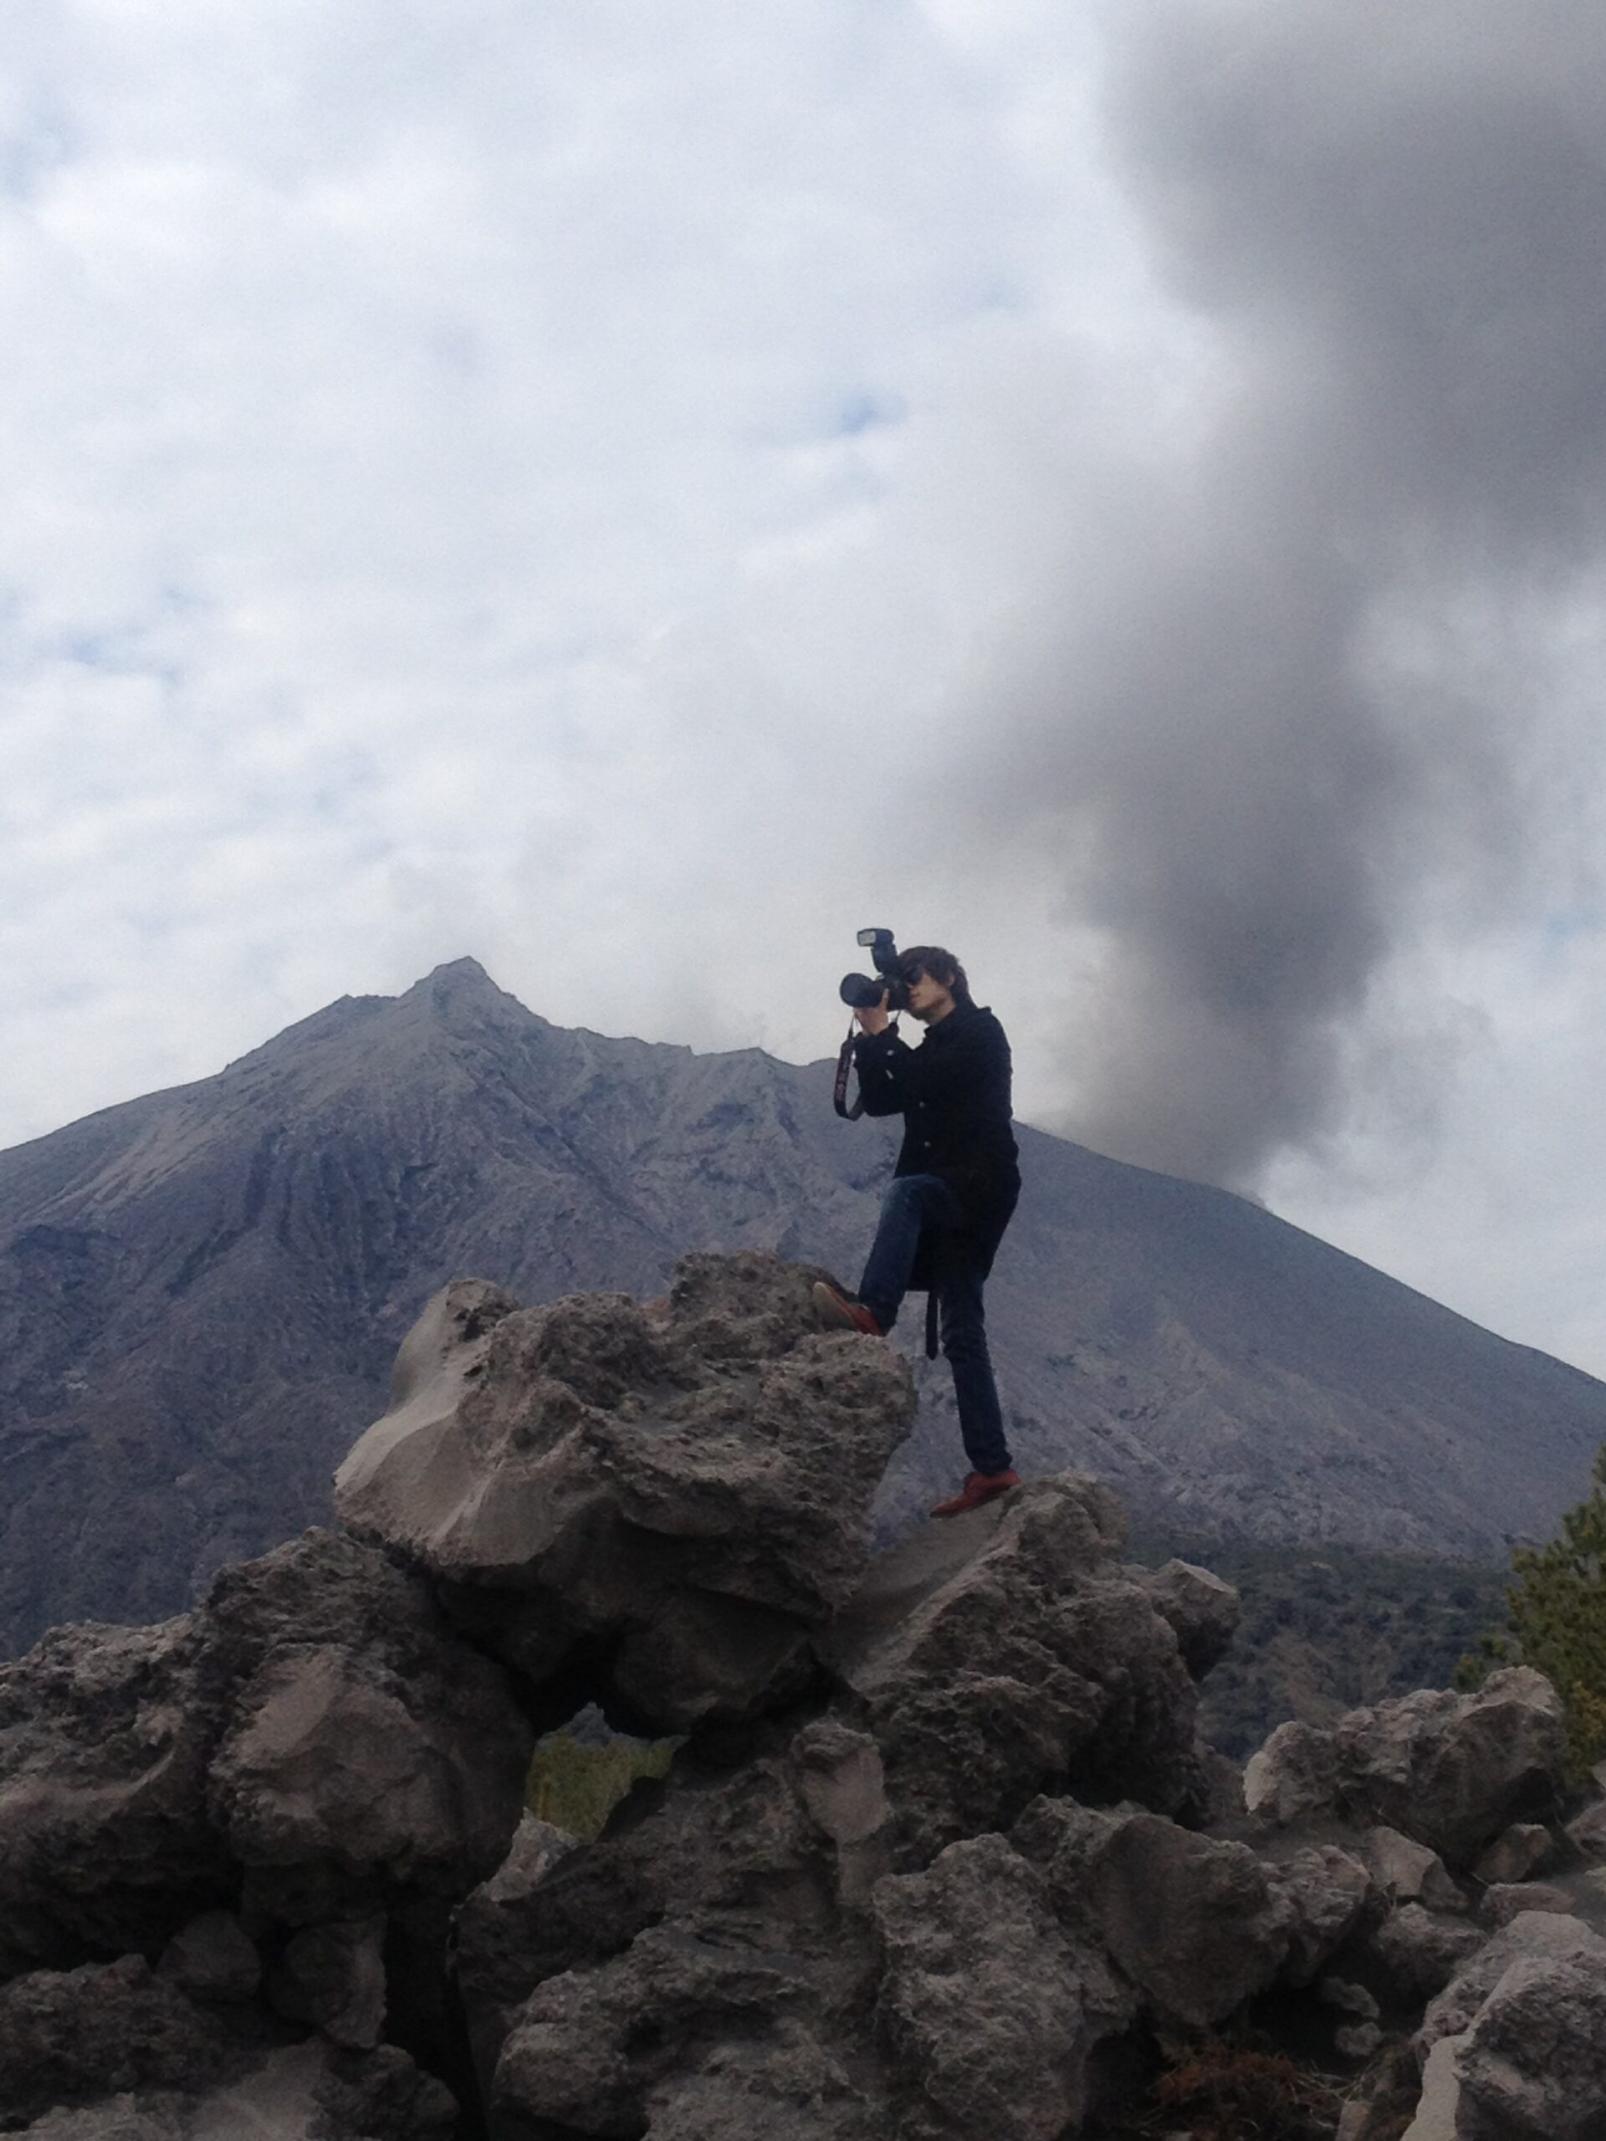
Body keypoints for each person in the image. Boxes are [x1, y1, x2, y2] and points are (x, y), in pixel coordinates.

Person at [814, 945, 1022, 1518]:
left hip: (977, 1187)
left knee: (906, 1193)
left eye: (914, 978)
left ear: (950, 978)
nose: (906, 989)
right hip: (946, 1185)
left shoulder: (981, 1032)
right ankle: (993, 1468)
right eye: (899, 981)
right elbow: (884, 1100)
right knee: (962, 1334)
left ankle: (874, 1314)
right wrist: (867, 1040)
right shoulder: (928, 1045)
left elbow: (927, 1079)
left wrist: (884, 1033)